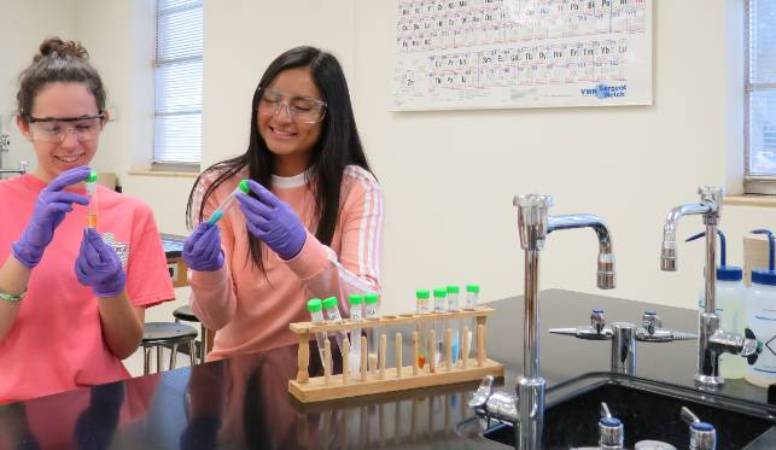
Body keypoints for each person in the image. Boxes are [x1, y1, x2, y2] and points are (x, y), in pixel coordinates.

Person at [0, 38, 175, 403]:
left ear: (103, 121)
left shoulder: (132, 215)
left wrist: (110, 290)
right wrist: (24, 258)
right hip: (13, 412)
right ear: (23, 125)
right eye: (52, 127)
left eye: (83, 126)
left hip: (100, 410)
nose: (70, 142)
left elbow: (125, 347)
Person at [184, 46, 383, 361]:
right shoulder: (219, 186)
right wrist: (207, 272)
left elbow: (364, 307)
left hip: (326, 372)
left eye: (303, 106)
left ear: (331, 116)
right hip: (239, 371)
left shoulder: (356, 187)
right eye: (272, 100)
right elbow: (214, 319)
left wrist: (301, 248)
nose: (281, 116)